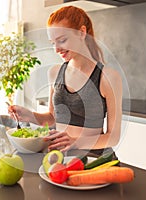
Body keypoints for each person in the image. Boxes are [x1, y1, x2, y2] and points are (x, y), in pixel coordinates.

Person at [8, 6, 122, 155]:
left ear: (82, 32)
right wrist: (29, 115)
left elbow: (113, 137)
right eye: (52, 43)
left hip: (94, 161)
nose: (56, 49)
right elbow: (52, 118)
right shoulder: (55, 72)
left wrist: (76, 142)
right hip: (59, 158)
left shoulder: (108, 77)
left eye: (61, 40)